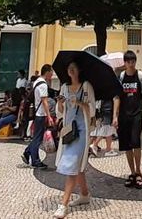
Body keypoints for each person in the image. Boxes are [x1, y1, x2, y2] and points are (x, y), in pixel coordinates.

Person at [52, 61, 95, 218]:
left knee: (71, 163)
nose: (70, 69)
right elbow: (60, 111)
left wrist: (79, 103)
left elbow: (92, 110)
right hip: (69, 130)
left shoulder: (86, 86)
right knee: (77, 166)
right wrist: (60, 103)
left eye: (74, 66)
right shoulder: (64, 87)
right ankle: (84, 194)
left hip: (82, 131)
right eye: (68, 67)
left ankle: (63, 204)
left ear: (79, 70)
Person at [114, 50, 142, 190]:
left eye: (133, 61)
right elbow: (117, 97)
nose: (130, 64)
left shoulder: (141, 77)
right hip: (123, 116)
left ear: (135, 62)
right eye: (128, 62)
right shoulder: (121, 77)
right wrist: (115, 116)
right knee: (126, 145)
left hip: (137, 115)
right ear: (124, 63)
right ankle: (132, 172)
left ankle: (138, 171)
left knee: (136, 142)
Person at [22, 64, 54, 169]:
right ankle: (35, 160)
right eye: (51, 72)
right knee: (38, 138)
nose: (52, 74)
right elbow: (44, 101)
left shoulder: (37, 81)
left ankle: (27, 153)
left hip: (37, 113)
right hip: (41, 114)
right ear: (47, 72)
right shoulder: (43, 85)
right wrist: (49, 116)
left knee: (37, 137)